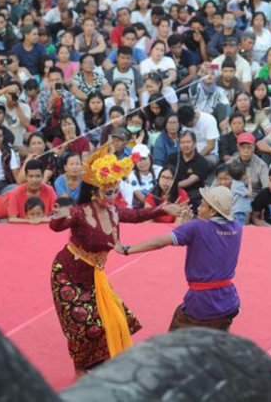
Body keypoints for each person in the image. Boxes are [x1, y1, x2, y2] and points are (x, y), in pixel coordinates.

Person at [49, 147, 183, 378]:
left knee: (115, 320)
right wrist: (58, 217)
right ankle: (81, 369)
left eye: (114, 191)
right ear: (94, 192)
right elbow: (57, 226)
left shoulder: (114, 211)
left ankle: (100, 362)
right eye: (108, 192)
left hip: (94, 278)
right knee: (82, 326)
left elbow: (138, 215)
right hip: (67, 275)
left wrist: (162, 208)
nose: (112, 196)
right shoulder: (79, 213)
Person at [111, 185, 242, 332]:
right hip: (229, 299)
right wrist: (189, 227)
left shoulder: (196, 227)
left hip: (203, 302)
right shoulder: (237, 227)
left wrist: (128, 249)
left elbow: (159, 242)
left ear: (212, 211)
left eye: (203, 205)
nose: (198, 208)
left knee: (176, 341)